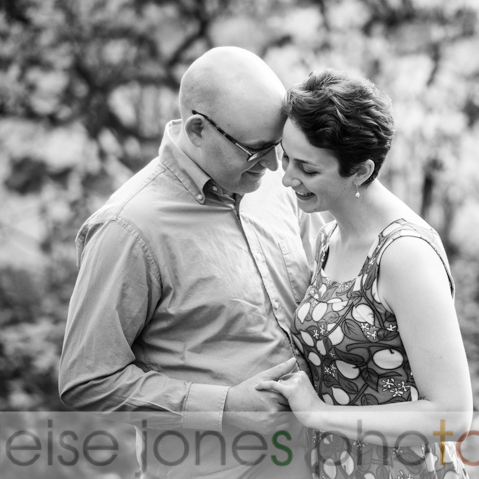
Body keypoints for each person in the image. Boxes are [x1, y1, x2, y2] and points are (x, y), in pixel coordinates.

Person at [58, 47, 325, 478]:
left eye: (278, 145)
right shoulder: (127, 228)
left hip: (312, 459)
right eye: (256, 149)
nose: (276, 164)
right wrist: (222, 408)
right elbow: (87, 380)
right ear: (198, 129)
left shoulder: (278, 187)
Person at [256, 69, 473, 478]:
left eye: (307, 168)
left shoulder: (404, 254)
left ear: (360, 171)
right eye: (286, 157)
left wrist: (320, 415)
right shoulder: (329, 236)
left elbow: (453, 415)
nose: (287, 178)